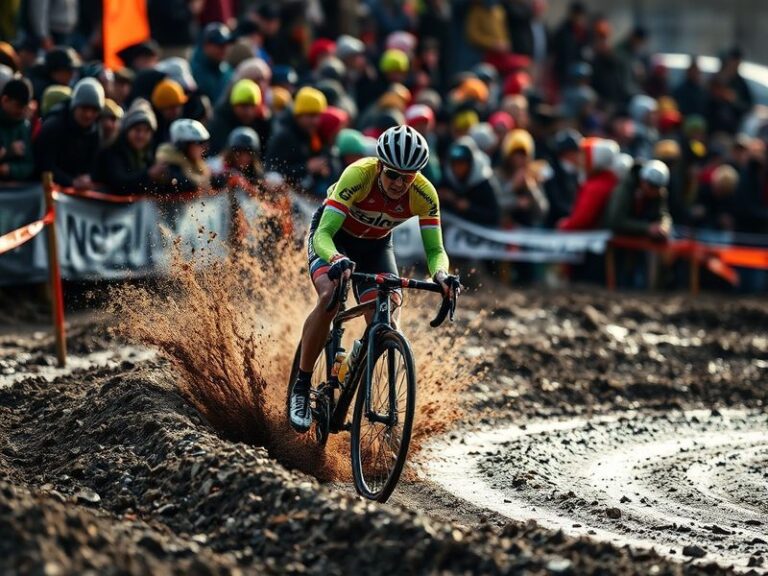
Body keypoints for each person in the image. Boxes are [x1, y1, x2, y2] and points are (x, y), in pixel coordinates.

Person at [289, 125, 459, 432]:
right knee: (329, 296)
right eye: (392, 174)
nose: (398, 183)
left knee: (387, 314)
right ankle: (301, 388)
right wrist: (337, 259)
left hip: (376, 246)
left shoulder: (424, 194)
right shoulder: (359, 175)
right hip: (334, 239)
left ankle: (357, 358)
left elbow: (435, 249)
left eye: (406, 178)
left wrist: (442, 274)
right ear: (380, 166)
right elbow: (325, 234)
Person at [34, 77, 103, 189]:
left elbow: (94, 165)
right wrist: (71, 182)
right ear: (75, 106)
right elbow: (44, 165)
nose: (88, 115)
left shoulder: (95, 132)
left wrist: (87, 177)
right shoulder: (54, 126)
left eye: (94, 110)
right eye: (84, 108)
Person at [93, 100, 164, 195]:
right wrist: (148, 175)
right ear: (127, 130)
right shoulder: (113, 149)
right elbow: (119, 184)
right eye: (137, 130)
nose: (141, 136)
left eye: (146, 131)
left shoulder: (151, 152)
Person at [439, 136, 501, 226]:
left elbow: (494, 216)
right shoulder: (448, 179)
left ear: (471, 163)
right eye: (454, 164)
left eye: (462, 163)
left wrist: (470, 208)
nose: (457, 168)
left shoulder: (484, 182)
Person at [154, 118, 212, 194]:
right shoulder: (169, 165)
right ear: (183, 145)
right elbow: (183, 184)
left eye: (204, 142)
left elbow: (212, 180)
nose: (204, 147)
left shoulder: (195, 164)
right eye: (199, 142)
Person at [0, 78, 33, 180]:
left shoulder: (23, 126)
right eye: (18, 106)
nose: (21, 111)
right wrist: (8, 153)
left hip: (16, 187)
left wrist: (11, 169)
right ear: (5, 100)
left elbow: (30, 164)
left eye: (24, 107)